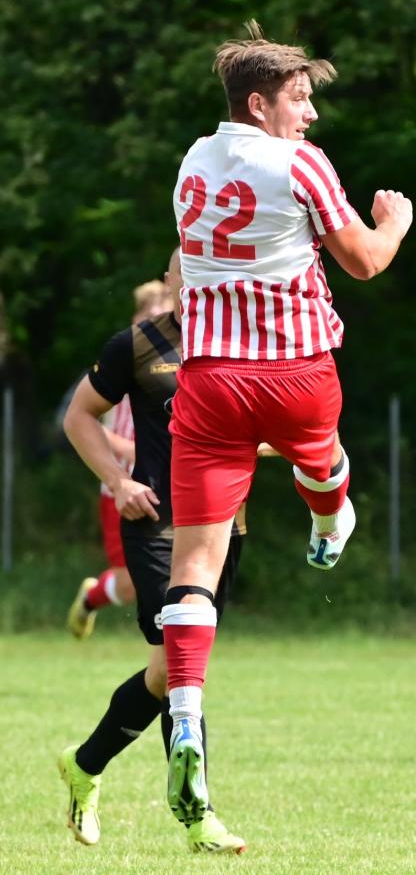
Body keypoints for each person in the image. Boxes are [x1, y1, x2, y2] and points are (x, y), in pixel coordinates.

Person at [161, 19, 413, 829]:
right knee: (323, 461)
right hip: (296, 373)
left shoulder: (194, 158)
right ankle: (329, 521)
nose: (310, 115)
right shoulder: (302, 164)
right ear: (259, 104)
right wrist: (394, 221)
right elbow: (364, 261)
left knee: (194, 565)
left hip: (208, 379)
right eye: (300, 100)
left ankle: (187, 718)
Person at [59, 249, 246, 854]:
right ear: (170, 282)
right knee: (181, 668)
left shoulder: (244, 343)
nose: (199, 284)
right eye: (187, 274)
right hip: (157, 526)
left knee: (168, 675)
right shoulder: (136, 346)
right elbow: (79, 417)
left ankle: (84, 765)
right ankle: (198, 818)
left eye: (211, 274)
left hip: (224, 529)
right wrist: (119, 482)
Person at [66, 279, 173, 639]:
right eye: (148, 315)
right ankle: (90, 599)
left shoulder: (179, 363)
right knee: (128, 586)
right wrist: (127, 451)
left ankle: (172, 653)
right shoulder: (125, 360)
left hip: (164, 481)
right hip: (122, 484)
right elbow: (85, 421)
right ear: (136, 319)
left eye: (163, 315)